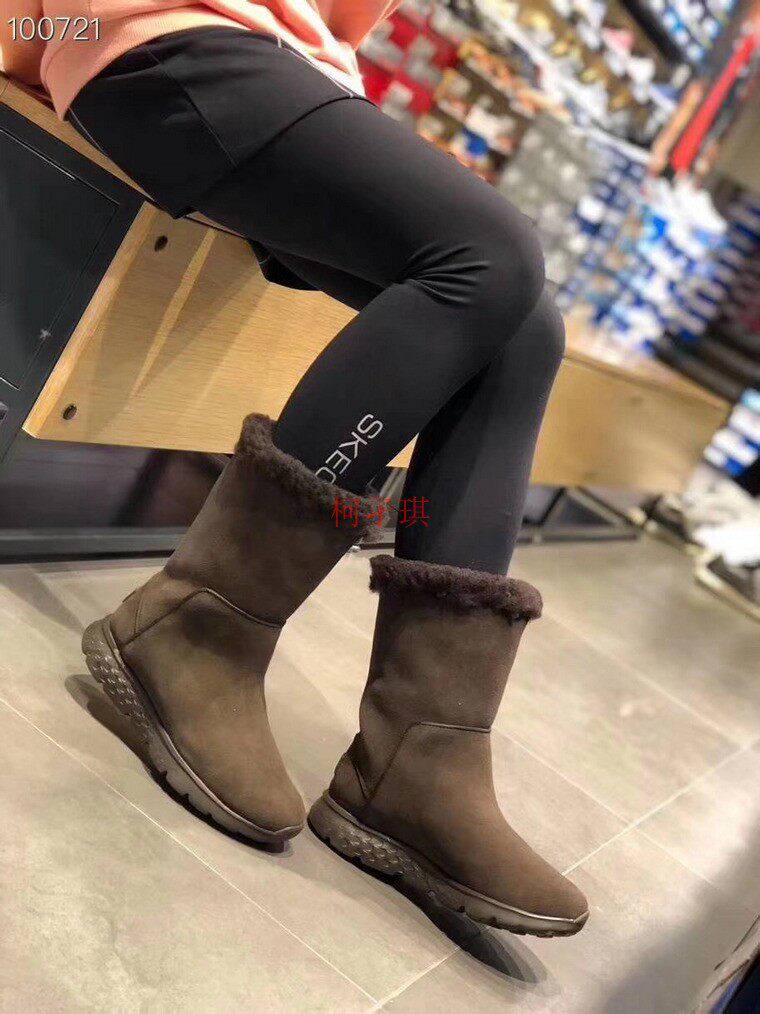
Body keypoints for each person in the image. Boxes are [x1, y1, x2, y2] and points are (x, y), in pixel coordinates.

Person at [2, 0, 588, 937]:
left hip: (279, 67)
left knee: (525, 328)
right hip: (155, 39)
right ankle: (198, 630)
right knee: (489, 255)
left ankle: (422, 753)